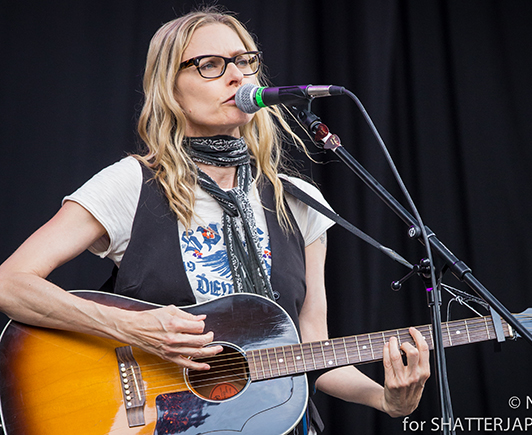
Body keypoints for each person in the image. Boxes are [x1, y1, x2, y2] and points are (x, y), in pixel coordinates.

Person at [0, 6, 429, 434]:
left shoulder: (298, 201)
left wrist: (386, 399)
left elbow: (310, 349)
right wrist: (132, 326)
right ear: (170, 87)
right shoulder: (133, 183)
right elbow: (10, 283)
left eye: (245, 61)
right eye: (210, 65)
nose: (237, 76)